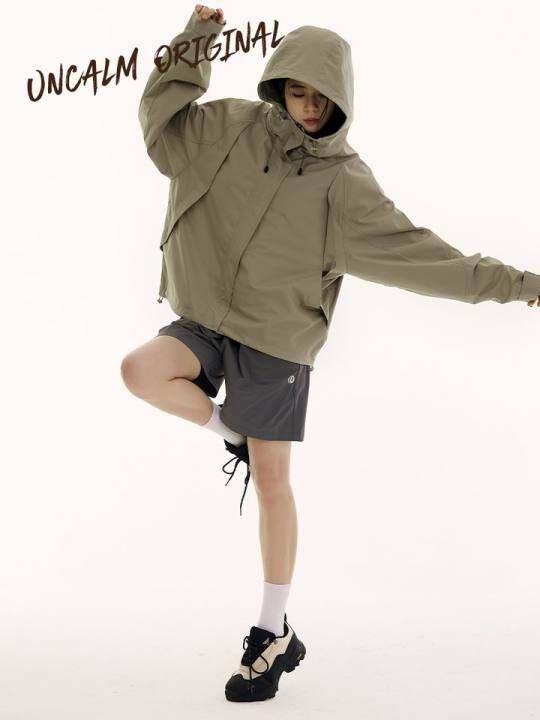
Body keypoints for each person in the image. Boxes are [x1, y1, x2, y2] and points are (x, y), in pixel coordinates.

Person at [121, 4, 540, 703]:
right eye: (298, 92)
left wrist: (523, 286)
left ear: (341, 99)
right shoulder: (227, 128)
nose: (310, 108)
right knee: (140, 370)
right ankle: (233, 435)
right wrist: (198, 34)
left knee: (274, 487)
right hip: (206, 320)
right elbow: (161, 119)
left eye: (323, 97)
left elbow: (428, 260)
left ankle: (271, 630)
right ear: (277, 86)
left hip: (276, 344)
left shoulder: (344, 183)